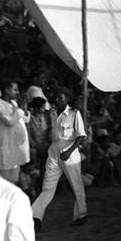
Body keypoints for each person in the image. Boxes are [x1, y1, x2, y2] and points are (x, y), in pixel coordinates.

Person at [31, 88, 87, 230]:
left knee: (76, 184)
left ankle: (81, 214)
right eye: (56, 98)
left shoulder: (74, 113)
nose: (57, 100)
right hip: (54, 150)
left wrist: (69, 151)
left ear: (67, 99)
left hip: (69, 150)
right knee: (47, 185)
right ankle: (35, 217)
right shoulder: (53, 114)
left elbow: (81, 136)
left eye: (61, 98)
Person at [0, 79, 30, 184]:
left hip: (16, 146)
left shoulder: (14, 103)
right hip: (4, 143)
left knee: (14, 177)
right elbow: (9, 121)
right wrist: (20, 110)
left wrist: (24, 108)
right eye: (15, 89)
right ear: (6, 90)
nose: (17, 92)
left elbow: (25, 119)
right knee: (3, 177)